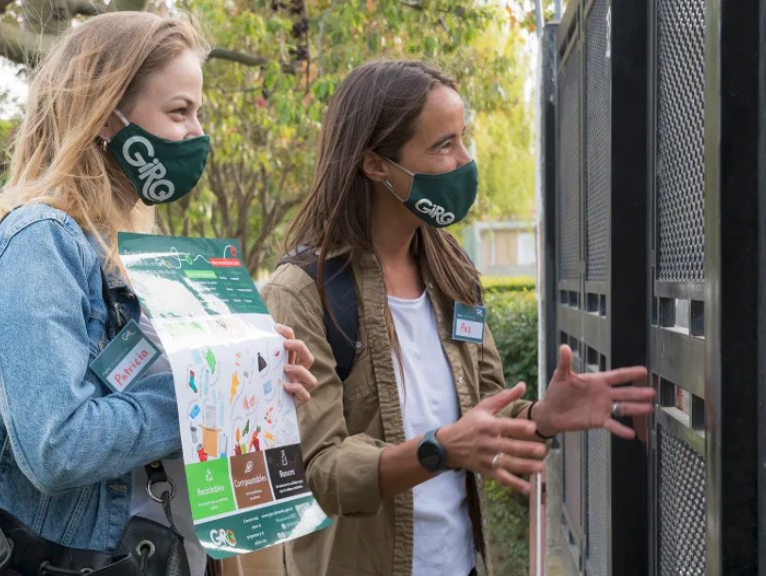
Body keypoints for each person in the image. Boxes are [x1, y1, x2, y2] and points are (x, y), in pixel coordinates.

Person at [0, 12, 317, 576]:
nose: (198, 134)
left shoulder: (142, 255)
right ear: (104, 115)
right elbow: (57, 447)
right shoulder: (39, 242)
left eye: (200, 113)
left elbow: (163, 418)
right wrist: (205, 397)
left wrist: (256, 379)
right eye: (179, 111)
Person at [259, 60, 656, 576]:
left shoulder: (454, 272)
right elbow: (321, 472)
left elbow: (483, 417)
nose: (466, 160)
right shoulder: (303, 291)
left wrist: (540, 418)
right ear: (376, 165)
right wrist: (439, 450)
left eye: (462, 138)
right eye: (443, 145)